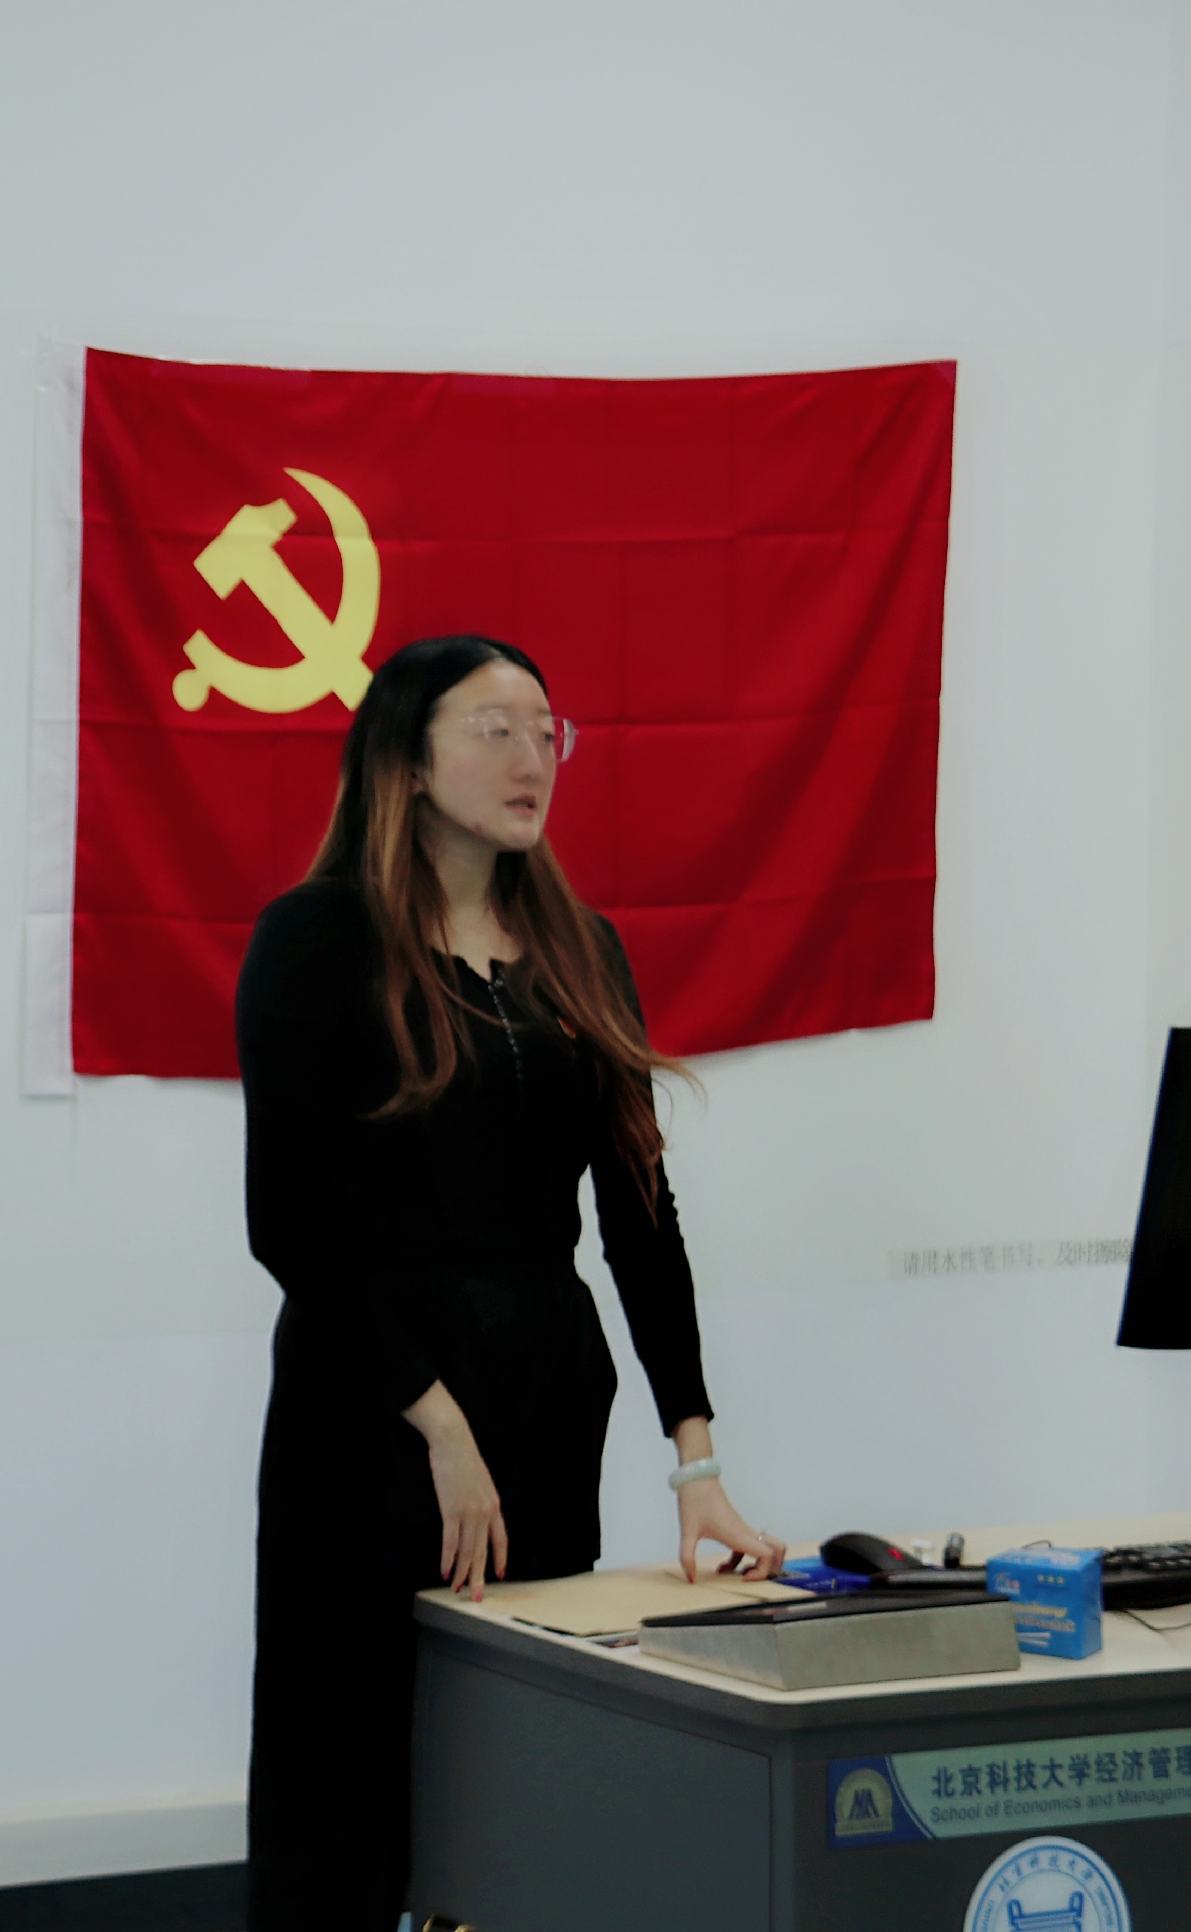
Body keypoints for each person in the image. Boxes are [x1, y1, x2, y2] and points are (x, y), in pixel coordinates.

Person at [236, 634, 783, 1932]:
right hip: (374, 1402)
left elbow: (639, 1213)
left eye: (548, 731)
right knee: (351, 1767)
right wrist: (437, 1424)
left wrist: (697, 1461)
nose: (533, 756)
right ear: (407, 761)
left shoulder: (580, 947)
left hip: (541, 1396)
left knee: (516, 1759)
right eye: (496, 729)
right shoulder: (318, 939)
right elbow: (292, 1220)